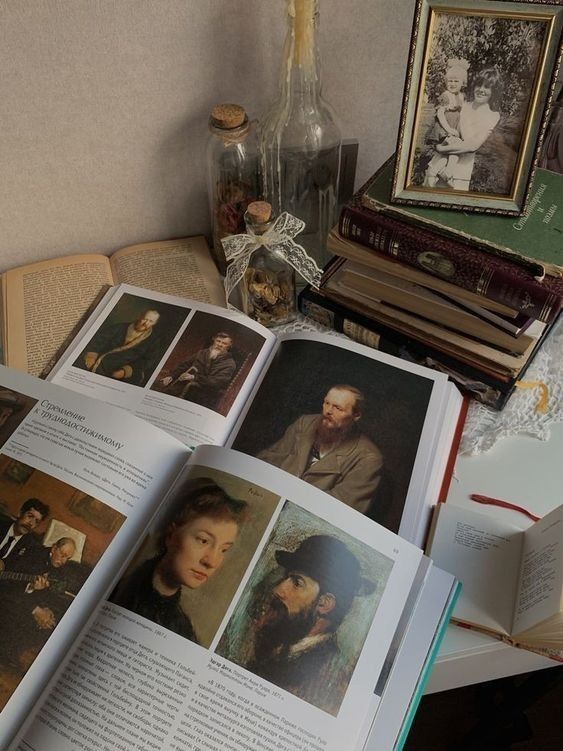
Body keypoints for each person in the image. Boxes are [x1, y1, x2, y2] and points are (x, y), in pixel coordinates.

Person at [246, 535, 375, 715]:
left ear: (324, 604)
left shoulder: (331, 676)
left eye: (297, 583)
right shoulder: (273, 645)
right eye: (286, 579)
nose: (278, 590)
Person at [110, 478, 247, 643]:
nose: (212, 562)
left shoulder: (182, 630)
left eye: (223, 549)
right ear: (171, 535)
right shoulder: (118, 588)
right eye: (203, 540)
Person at [258, 385, 383, 514]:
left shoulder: (369, 458)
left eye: (338, 408)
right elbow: (272, 457)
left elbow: (341, 508)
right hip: (268, 498)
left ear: (356, 415)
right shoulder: (305, 423)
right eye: (326, 403)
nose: (328, 411)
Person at [431, 66, 502, 191]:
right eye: (478, 85)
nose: (481, 90)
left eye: (487, 87)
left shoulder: (492, 115)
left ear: (493, 91)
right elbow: (442, 125)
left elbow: (472, 146)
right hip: (437, 165)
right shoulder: (462, 105)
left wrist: (441, 148)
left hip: (459, 174)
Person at [76, 308, 162, 386]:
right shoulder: (120, 327)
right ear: (140, 316)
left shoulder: (153, 341)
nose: (145, 323)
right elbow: (98, 340)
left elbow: (148, 360)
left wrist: (125, 371)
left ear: (155, 323)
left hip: (120, 371)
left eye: (150, 321)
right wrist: (91, 355)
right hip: (99, 360)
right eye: (145, 319)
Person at [423, 58, 470, 187]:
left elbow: (463, 114)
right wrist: (449, 130)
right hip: (443, 128)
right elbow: (440, 114)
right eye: (450, 81)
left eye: (456, 81)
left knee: (451, 151)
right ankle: (445, 172)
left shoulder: (461, 96)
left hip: (455, 128)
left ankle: (443, 171)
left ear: (462, 83)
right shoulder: (446, 95)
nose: (453, 84)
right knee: (452, 146)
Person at [159, 332, 237, 409]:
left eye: (224, 343)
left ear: (229, 346)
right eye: (218, 341)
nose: (219, 344)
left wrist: (194, 377)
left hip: (204, 395)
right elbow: (185, 365)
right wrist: (171, 376)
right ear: (214, 341)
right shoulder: (202, 353)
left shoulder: (229, 363)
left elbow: (216, 382)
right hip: (184, 386)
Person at [0, 498, 50, 570]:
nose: (31, 523)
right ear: (20, 513)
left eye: (36, 521)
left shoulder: (31, 546)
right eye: (30, 516)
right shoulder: (1, 524)